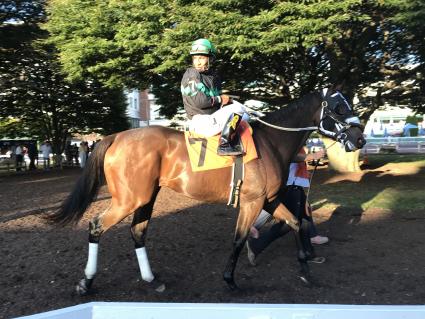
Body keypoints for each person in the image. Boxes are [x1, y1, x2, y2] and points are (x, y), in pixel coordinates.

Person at [246, 148, 329, 266]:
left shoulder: (299, 137)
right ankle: (256, 244)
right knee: (290, 223)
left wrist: (303, 175)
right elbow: (287, 154)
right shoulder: (289, 135)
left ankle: (308, 253)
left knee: (303, 220)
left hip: (295, 186)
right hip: (286, 187)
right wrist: (313, 156)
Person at [181, 38, 250, 156]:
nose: (197, 62)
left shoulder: (212, 76)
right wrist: (220, 99)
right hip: (201, 122)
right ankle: (224, 145)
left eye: (201, 58)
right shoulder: (192, 74)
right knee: (239, 110)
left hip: (211, 119)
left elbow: (216, 102)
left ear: (210, 59)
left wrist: (225, 102)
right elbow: (200, 102)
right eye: (195, 58)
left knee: (245, 113)